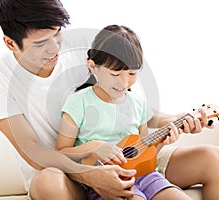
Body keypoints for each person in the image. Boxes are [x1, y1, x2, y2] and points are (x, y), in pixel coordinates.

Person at [0, 0, 219, 199]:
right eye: (41, 42)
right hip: (64, 171)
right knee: (48, 184)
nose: (55, 47)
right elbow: (33, 151)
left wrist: (176, 119)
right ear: (11, 43)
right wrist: (92, 175)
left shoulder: (84, 47)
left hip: (126, 157)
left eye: (57, 34)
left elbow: (125, 104)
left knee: (215, 158)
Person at [56, 24, 192, 200]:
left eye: (132, 73)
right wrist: (93, 146)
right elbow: (61, 152)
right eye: (115, 74)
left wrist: (163, 142)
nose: (124, 82)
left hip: (147, 176)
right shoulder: (78, 102)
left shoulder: (138, 103)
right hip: (109, 180)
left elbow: (142, 152)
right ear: (93, 67)